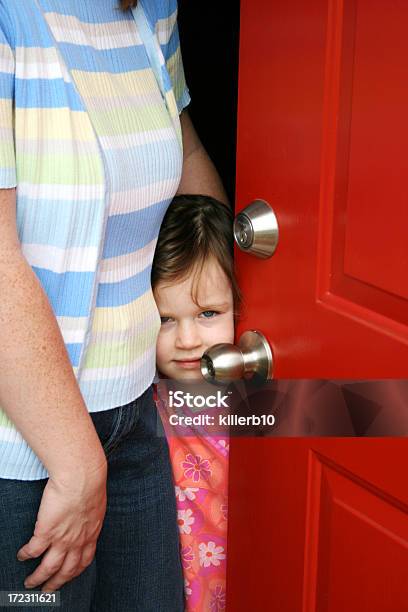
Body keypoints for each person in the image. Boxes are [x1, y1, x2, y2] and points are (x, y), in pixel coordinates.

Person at [0, 1, 227, 610]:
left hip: (132, 416)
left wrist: (217, 303)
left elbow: (186, 158)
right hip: (26, 452)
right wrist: (77, 466)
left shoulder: (150, 10)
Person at [151, 194, 240, 611]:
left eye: (208, 314)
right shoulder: (142, 403)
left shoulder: (268, 399)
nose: (186, 341)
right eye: (165, 319)